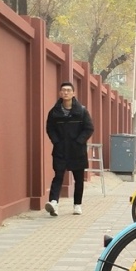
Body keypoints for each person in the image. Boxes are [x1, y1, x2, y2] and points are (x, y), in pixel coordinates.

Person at [45, 81, 94, 216]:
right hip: (60, 150)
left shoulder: (82, 111)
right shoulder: (54, 112)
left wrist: (79, 141)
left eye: (68, 90)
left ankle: (77, 205)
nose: (66, 92)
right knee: (58, 176)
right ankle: (54, 203)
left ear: (73, 93)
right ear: (60, 93)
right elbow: (50, 129)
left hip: (77, 150)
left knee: (78, 179)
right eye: (63, 90)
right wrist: (56, 141)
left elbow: (89, 128)